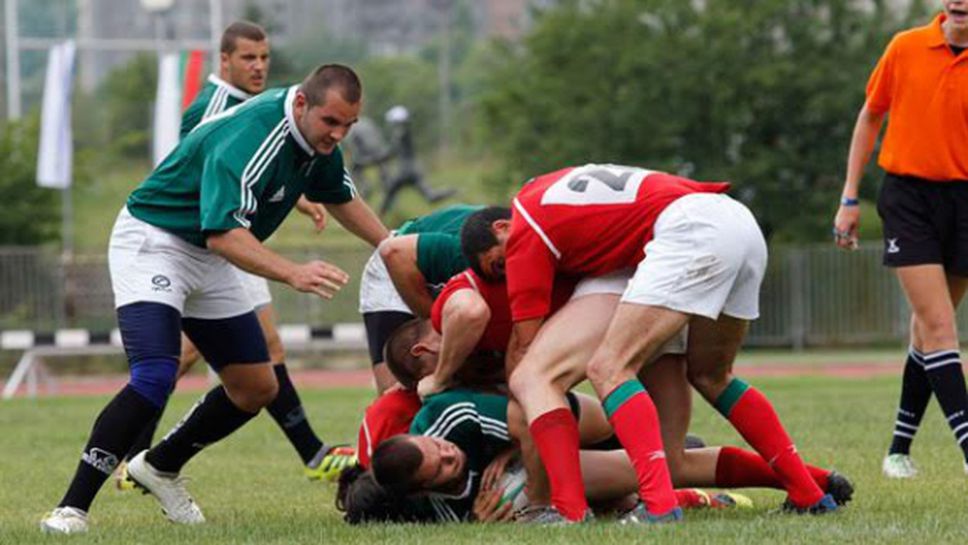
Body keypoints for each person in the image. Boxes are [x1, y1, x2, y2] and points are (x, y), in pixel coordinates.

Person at [39, 64, 388, 534]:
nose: (339, 134)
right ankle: (71, 509)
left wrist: (392, 248)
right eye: (332, 122)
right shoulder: (255, 134)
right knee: (156, 374)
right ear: (303, 104)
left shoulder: (314, 138)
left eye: (349, 125)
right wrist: (293, 272)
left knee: (257, 387)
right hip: (156, 242)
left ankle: (158, 466)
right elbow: (224, 235)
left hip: (209, 251)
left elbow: (342, 197)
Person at [464, 164, 838, 523]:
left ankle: (636, 509)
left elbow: (527, 343)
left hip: (687, 233)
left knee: (604, 368)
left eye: (501, 263)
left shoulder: (526, 224)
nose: (507, 271)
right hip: (736, 222)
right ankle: (809, 492)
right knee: (712, 376)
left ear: (502, 226)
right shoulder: (553, 190)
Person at [377, 268, 851, 519]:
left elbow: (530, 417)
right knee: (643, 473)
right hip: (536, 429)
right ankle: (800, 482)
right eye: (440, 466)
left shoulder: (450, 397)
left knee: (647, 447)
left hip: (555, 412)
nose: (447, 455)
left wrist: (536, 498)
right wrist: (485, 517)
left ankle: (648, 454)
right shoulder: (429, 474)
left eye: (437, 452)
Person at [115, 20, 354, 492]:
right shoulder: (217, 106)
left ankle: (140, 460)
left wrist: (297, 195)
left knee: (249, 351)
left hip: (231, 237)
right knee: (201, 356)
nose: (259, 66)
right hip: (211, 238)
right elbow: (208, 170)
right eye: (248, 58)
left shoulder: (270, 109)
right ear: (225, 61)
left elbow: (260, 166)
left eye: (264, 57)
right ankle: (134, 460)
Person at [834, 1, 968, 479]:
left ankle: (897, 450)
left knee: (928, 331)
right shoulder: (905, 47)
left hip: (965, 202)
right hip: (908, 198)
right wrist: (850, 197)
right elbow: (871, 117)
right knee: (938, 326)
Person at [360, 204, 484, 392]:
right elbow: (393, 253)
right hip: (398, 265)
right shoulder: (480, 251)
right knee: (397, 392)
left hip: (446, 278)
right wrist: (435, 321)